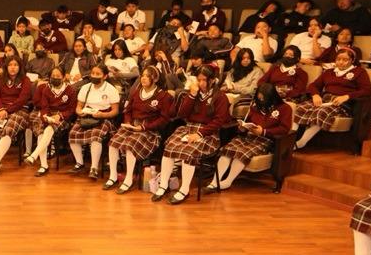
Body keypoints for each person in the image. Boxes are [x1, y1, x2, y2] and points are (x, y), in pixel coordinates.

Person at [154, 66, 230, 205]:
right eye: (198, 80)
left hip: (208, 133)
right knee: (169, 148)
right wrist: (191, 95)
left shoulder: (220, 97)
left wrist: (200, 134)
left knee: (189, 152)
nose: (200, 83)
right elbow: (182, 114)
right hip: (189, 128)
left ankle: (184, 190)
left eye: (204, 80)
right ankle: (163, 185)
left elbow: (219, 122)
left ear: (212, 80)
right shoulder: (194, 93)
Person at [209, 83, 292, 192]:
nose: (261, 100)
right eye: (259, 98)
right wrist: (243, 127)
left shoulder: (284, 108)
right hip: (249, 135)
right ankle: (214, 182)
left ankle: (228, 181)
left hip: (265, 139)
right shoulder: (255, 106)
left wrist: (264, 131)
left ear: (272, 97)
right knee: (227, 150)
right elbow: (248, 121)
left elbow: (284, 129)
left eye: (263, 98)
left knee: (242, 153)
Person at [104, 66, 173, 193]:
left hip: (150, 131)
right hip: (132, 126)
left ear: (155, 79)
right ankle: (113, 176)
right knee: (113, 143)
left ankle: (128, 179)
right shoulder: (137, 92)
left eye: (148, 76)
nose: (144, 78)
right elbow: (128, 111)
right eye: (143, 75)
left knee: (130, 145)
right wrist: (128, 122)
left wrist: (144, 127)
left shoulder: (163, 96)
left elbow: (164, 119)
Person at [293, 48, 371, 150]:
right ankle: (289, 141)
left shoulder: (359, 72)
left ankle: (300, 143)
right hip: (325, 99)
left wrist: (347, 96)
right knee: (297, 109)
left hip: (342, 104)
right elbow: (313, 85)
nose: (341, 62)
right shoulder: (329, 72)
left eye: (345, 59)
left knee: (321, 112)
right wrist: (315, 95)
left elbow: (366, 90)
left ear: (352, 60)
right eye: (338, 59)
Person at [66, 63, 120, 180]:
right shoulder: (86, 88)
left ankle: (94, 168)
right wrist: (80, 112)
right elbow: (79, 106)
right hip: (86, 117)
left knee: (96, 136)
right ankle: (79, 163)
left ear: (105, 76)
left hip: (104, 117)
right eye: (93, 73)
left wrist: (103, 114)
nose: (94, 76)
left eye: (98, 74)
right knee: (73, 133)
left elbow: (115, 111)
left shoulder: (111, 89)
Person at [0, 57, 31, 176]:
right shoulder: (0, 79)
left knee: (8, 129)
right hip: (0, 110)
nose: (13, 67)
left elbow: (23, 99)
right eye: (10, 65)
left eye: (15, 65)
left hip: (19, 111)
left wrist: (7, 111)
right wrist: (0, 109)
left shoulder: (25, 80)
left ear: (20, 67)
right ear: (6, 67)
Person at [23, 66, 76, 177]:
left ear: (63, 77)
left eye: (58, 76)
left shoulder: (70, 90)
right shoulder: (47, 89)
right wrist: (45, 117)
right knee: (41, 133)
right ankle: (44, 165)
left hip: (63, 117)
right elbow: (44, 107)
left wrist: (60, 116)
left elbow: (71, 110)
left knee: (49, 129)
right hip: (49, 115)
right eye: (53, 76)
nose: (55, 78)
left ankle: (34, 155)